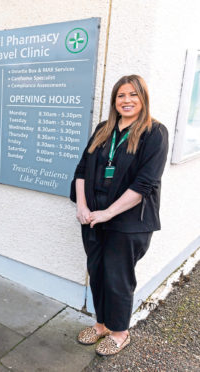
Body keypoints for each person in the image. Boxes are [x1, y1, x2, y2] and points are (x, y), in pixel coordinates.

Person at [70, 75, 168, 355]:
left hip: (127, 221)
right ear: (114, 100)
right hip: (92, 217)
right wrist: (82, 207)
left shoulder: (154, 132)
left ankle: (120, 332)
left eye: (133, 95)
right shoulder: (104, 129)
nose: (127, 100)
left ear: (143, 98)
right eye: (121, 95)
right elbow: (81, 170)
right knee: (97, 271)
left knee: (118, 276)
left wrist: (108, 213)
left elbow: (144, 184)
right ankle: (101, 325)